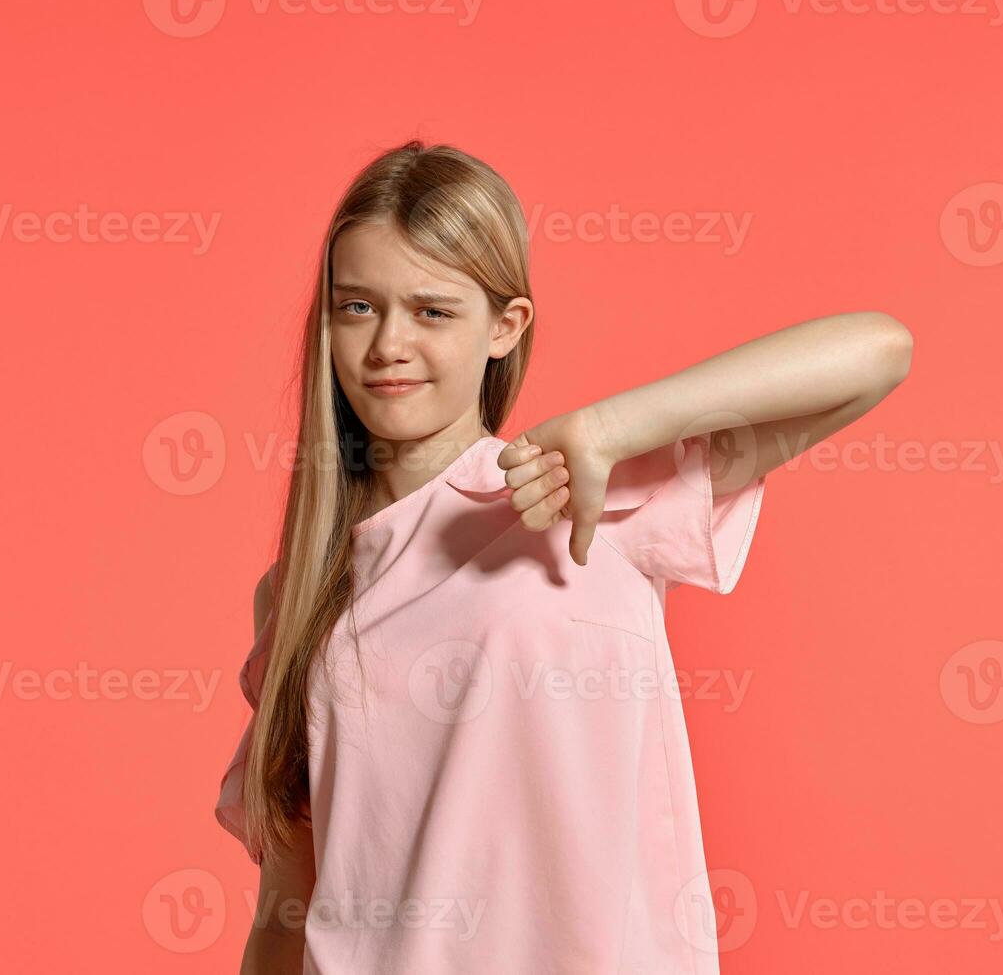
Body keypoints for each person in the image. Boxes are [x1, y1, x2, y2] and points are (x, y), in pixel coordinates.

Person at [215, 139, 913, 974]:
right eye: (358, 307)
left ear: (504, 328)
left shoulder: (578, 491)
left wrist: (614, 430)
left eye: (433, 311)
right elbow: (284, 916)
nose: (388, 346)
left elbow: (877, 352)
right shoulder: (297, 596)